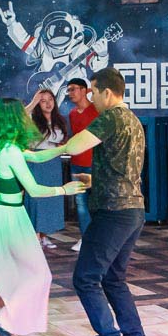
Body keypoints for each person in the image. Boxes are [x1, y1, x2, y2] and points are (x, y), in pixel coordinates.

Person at [28, 67, 150, 336]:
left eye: (93, 92)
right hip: (133, 209)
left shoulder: (111, 116)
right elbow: (125, 168)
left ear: (107, 92)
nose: (91, 98)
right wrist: (96, 180)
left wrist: (34, 155)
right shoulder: (133, 120)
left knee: (85, 278)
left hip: (113, 212)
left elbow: (74, 146)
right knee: (113, 278)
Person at [0, 98, 87, 336]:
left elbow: (34, 155)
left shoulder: (0, 145)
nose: (27, 117)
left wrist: (62, 148)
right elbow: (34, 189)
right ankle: (0, 323)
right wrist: (64, 189)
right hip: (8, 216)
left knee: (7, 276)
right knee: (39, 274)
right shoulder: (10, 150)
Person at [24, 88, 68, 248]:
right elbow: (19, 117)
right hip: (36, 161)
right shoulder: (31, 119)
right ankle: (34, 235)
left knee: (50, 198)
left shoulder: (59, 120)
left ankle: (44, 235)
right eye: (43, 101)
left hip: (53, 162)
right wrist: (34, 101)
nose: (48, 103)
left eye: (50, 100)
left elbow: (61, 140)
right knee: (36, 198)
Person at [64, 77, 98, 252]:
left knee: (98, 203)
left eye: (73, 89)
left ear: (85, 90)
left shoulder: (97, 110)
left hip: (95, 164)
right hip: (77, 163)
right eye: (68, 90)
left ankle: (100, 238)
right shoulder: (71, 114)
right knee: (81, 203)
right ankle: (86, 238)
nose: (70, 93)